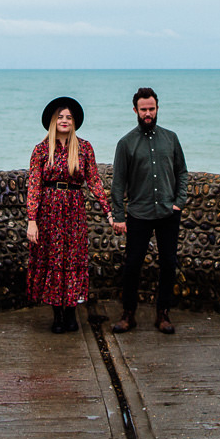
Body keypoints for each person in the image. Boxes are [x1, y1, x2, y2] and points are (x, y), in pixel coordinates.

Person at [26, 96, 114, 334]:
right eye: (61, 117)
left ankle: (71, 311)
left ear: (74, 122)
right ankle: (57, 314)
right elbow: (34, 185)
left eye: (69, 117)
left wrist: (109, 211)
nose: (65, 121)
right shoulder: (42, 149)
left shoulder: (84, 147)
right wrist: (31, 220)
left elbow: (94, 180)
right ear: (54, 121)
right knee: (53, 259)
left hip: (74, 211)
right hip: (49, 211)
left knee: (72, 259)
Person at [110, 86, 188, 334]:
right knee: (132, 264)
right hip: (138, 214)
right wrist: (119, 216)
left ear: (157, 109)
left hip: (168, 213)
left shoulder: (171, 138)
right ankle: (128, 314)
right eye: (143, 109)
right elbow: (118, 183)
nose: (148, 114)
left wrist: (179, 202)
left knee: (168, 263)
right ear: (135, 110)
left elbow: (182, 173)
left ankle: (163, 314)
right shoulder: (126, 143)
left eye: (151, 109)